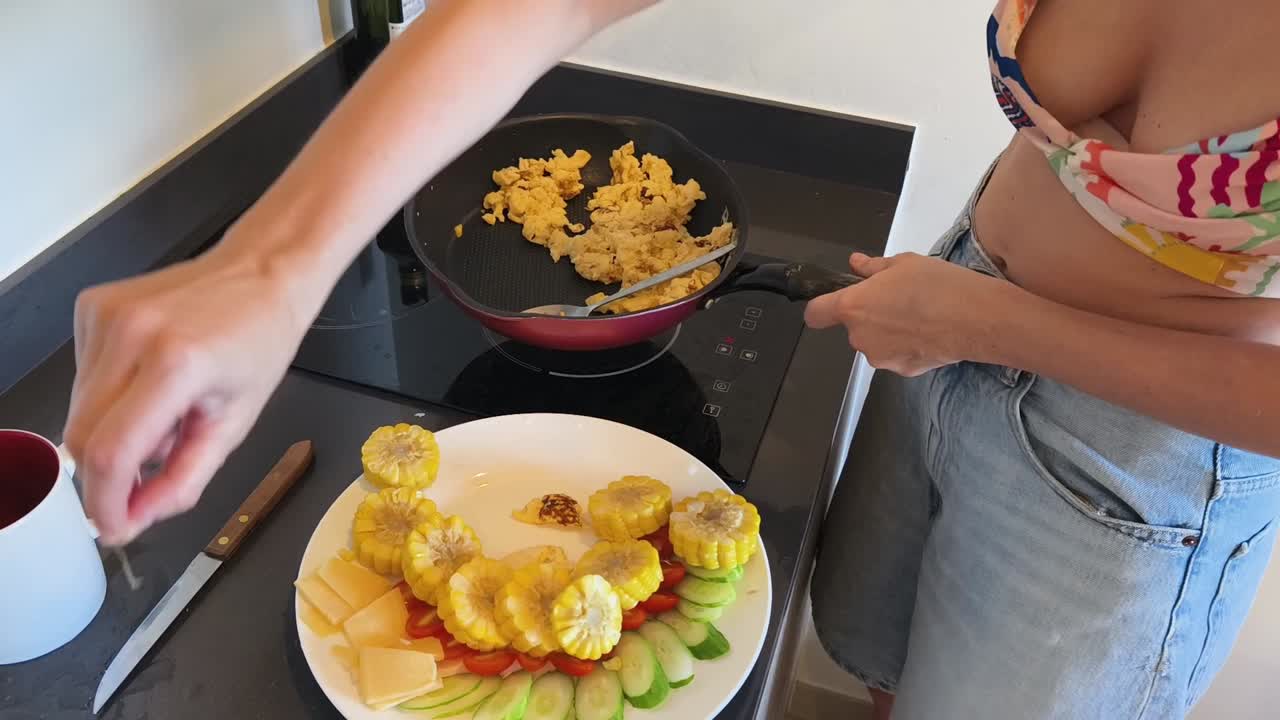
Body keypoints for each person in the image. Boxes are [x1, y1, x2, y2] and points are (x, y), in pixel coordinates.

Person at [62, 1, 1280, 718]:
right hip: (958, 299)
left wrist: (986, 328)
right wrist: (276, 262)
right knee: (879, 665)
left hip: (1141, 467)